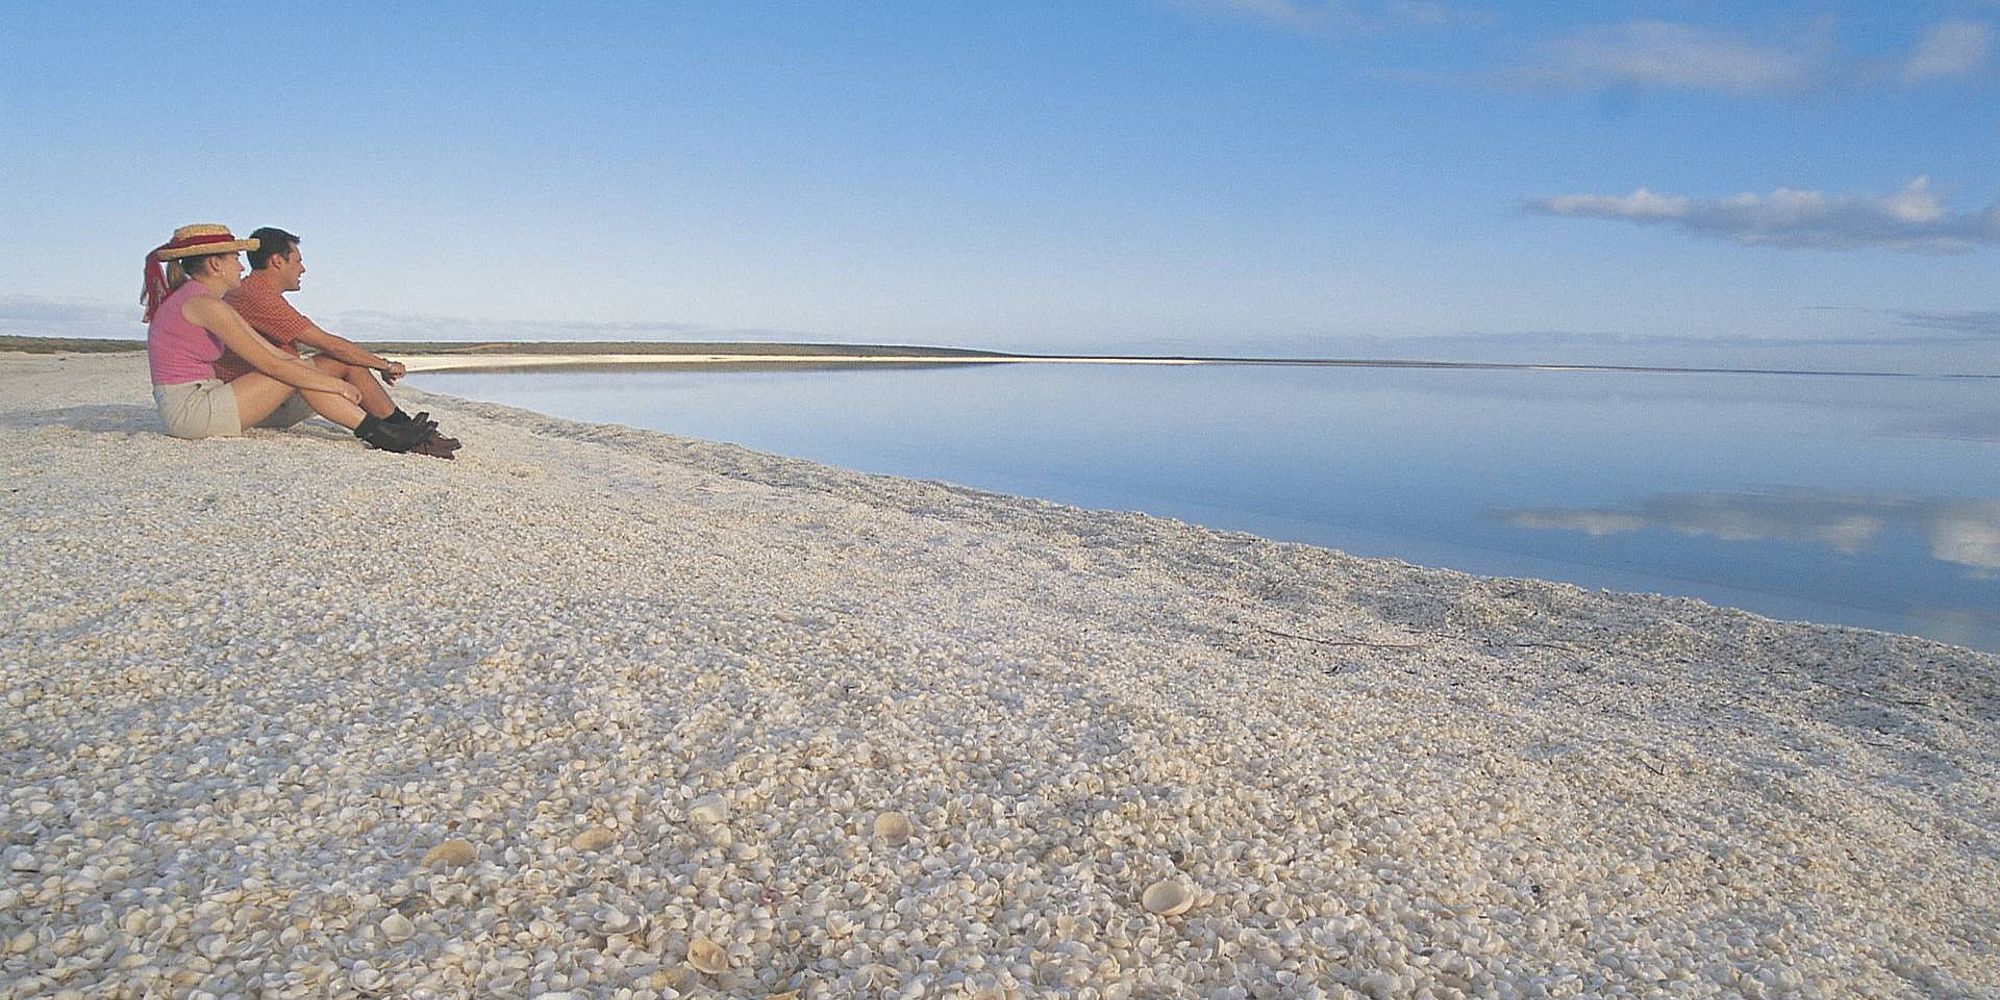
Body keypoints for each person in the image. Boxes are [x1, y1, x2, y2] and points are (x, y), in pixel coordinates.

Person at [141, 224, 439, 455]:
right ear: (215, 265)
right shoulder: (205, 305)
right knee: (291, 372)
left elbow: (274, 354)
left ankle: (391, 430)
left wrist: (326, 380)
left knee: (296, 368)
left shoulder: (205, 300)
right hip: (191, 412)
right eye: (235, 259)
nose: (241, 267)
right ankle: (383, 434)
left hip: (205, 399)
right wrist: (335, 384)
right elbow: (273, 364)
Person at [217, 227, 459, 454]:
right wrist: (384, 365)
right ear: (277, 261)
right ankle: (404, 434)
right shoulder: (256, 295)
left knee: (343, 359)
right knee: (343, 360)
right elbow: (329, 344)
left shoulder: (253, 292)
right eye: (298, 261)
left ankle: (404, 429)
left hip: (265, 391)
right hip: (258, 401)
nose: (303, 269)